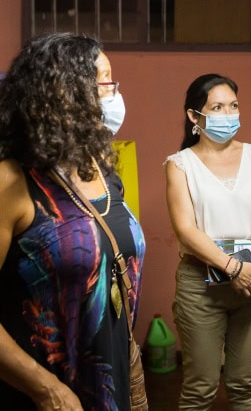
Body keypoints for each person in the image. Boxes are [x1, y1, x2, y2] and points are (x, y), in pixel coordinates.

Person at [0, 33, 146, 409]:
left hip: (109, 383)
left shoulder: (100, 166)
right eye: (104, 81)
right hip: (41, 394)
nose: (113, 93)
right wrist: (45, 389)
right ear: (63, 93)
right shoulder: (12, 181)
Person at [165, 73, 251, 410]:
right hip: (201, 285)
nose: (228, 115)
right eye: (217, 107)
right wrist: (233, 268)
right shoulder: (179, 165)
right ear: (194, 116)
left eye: (233, 106)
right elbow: (186, 229)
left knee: (244, 385)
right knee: (200, 388)